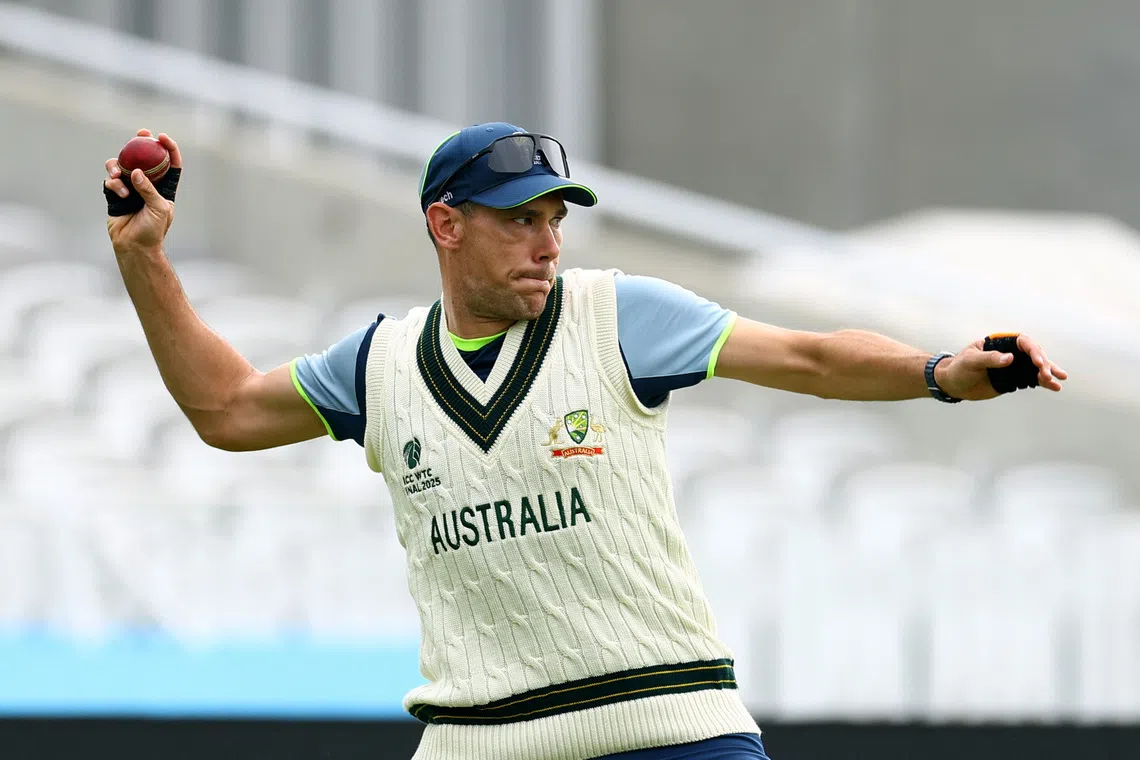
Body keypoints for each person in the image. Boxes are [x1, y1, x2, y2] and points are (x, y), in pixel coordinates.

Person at [103, 123, 1066, 760]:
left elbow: (809, 358)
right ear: (445, 224)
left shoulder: (620, 316)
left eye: (555, 220)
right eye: (520, 220)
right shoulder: (380, 365)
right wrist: (143, 256)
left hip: (672, 730)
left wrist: (941, 371)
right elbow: (225, 409)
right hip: (479, 741)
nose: (549, 244)